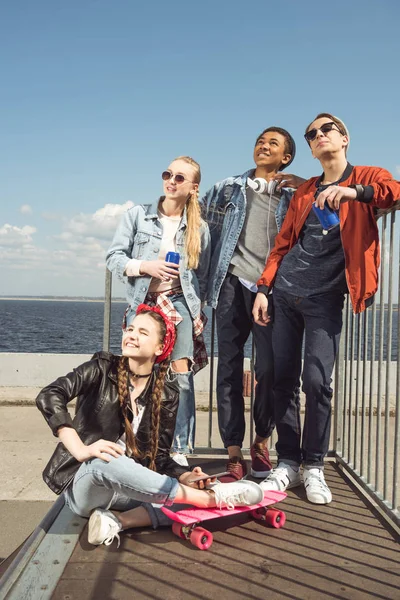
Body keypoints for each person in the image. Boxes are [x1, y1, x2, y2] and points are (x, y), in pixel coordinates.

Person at [253, 113, 400, 504]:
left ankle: (313, 465)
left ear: (344, 138)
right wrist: (264, 288)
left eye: (325, 130)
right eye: (311, 134)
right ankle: (287, 462)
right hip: (284, 294)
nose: (318, 136)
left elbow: (395, 191)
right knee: (282, 379)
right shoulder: (305, 192)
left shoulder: (368, 175)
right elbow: (282, 244)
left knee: (317, 381)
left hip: (324, 300)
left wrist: (356, 194)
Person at [36, 305, 264, 548]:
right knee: (107, 457)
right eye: (130, 328)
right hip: (88, 484)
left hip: (130, 489)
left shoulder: (166, 393)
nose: (131, 334)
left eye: (143, 332)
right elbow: (50, 395)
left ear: (160, 347)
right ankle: (208, 499)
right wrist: (81, 449)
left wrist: (186, 475)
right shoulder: (101, 368)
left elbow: (161, 459)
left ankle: (117, 521)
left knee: (175, 493)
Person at [201, 127, 304, 481]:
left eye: (273, 143)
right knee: (228, 367)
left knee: (270, 371)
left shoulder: (295, 195)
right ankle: (233, 450)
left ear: (285, 158)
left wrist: (305, 184)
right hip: (230, 283)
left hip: (271, 289)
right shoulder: (228, 188)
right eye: (261, 141)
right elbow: (195, 213)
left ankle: (261, 441)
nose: (264, 145)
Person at [106, 156, 211, 467]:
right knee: (135, 372)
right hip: (144, 303)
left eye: (180, 177)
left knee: (182, 376)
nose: (171, 180)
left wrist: (197, 307)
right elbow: (113, 257)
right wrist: (144, 266)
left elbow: (202, 273)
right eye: (168, 174)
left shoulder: (198, 227)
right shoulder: (138, 216)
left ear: (193, 187)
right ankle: (129, 439)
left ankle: (178, 447)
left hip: (178, 302)